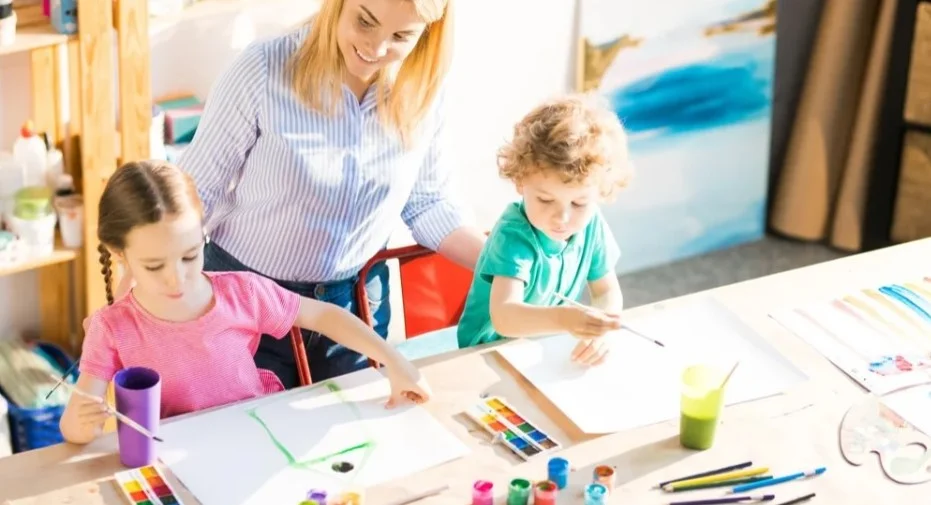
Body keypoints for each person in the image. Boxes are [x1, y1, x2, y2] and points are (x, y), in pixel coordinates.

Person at [178, 0, 485, 389]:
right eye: (365, 21)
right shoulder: (263, 68)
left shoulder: (422, 89)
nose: (375, 49)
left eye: (401, 36)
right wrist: (144, 277)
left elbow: (429, 203)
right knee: (249, 438)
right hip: (247, 303)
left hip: (356, 308)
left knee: (354, 440)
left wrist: (504, 264)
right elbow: (195, 191)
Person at [59, 161, 431, 445]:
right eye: (154, 266)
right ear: (119, 254)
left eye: (190, 255)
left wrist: (394, 361)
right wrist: (82, 420)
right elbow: (75, 432)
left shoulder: (242, 293)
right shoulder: (112, 328)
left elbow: (323, 315)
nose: (177, 278)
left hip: (262, 438)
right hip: (183, 457)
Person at [456, 93, 633, 366]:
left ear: (599, 192)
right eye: (545, 199)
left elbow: (606, 291)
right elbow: (504, 317)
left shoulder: (592, 224)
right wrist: (564, 319)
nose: (562, 217)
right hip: (487, 354)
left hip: (542, 345)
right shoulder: (514, 235)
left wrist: (601, 331)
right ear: (519, 182)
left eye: (579, 202)